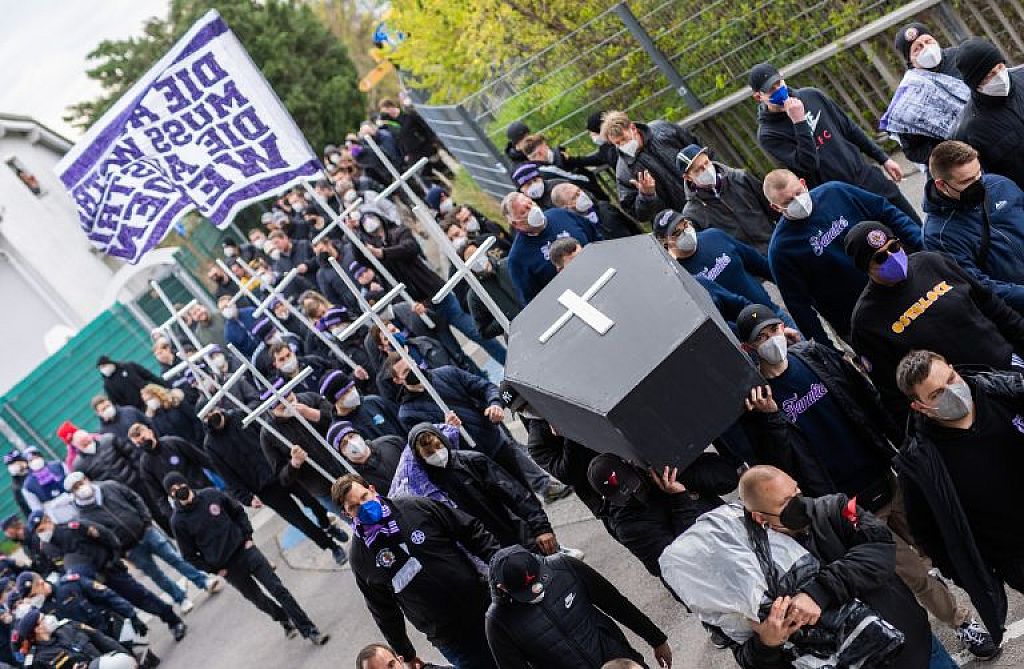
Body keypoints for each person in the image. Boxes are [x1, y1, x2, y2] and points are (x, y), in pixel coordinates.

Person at [735, 303, 992, 657]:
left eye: (773, 330)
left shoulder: (813, 355)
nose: (770, 341)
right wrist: (772, 420)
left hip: (884, 476)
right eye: (760, 338)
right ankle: (963, 622)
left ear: (783, 327)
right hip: (849, 504)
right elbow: (777, 469)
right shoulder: (759, 402)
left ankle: (970, 591)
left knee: (939, 546)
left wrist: (901, 449)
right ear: (749, 348)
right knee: (913, 572)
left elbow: (864, 399)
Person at [721, 466, 935, 668]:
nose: (798, 501)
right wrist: (766, 644)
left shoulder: (835, 508)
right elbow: (748, 655)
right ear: (759, 517)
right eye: (786, 502)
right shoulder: (752, 568)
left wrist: (817, 593)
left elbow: (880, 549)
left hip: (912, 639)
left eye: (796, 489)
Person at [894, 350, 1024, 653]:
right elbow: (929, 534)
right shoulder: (919, 463)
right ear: (919, 406)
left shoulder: (1006, 393)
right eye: (938, 393)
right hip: (1015, 555)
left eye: (951, 379)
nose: (953, 390)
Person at [846, 220, 1024, 421]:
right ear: (865, 268)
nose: (892, 258)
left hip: (1009, 366)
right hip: (967, 404)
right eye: (880, 258)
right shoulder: (866, 322)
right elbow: (893, 396)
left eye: (894, 247)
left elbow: (993, 306)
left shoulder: (932, 262)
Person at [333, 474, 500, 668]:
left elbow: (471, 530)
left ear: (372, 490)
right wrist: (406, 654)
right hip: (451, 638)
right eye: (354, 507)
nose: (364, 507)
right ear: (346, 514)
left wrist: (502, 569)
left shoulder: (414, 508)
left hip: (486, 605)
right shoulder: (361, 559)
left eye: (364, 497)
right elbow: (384, 611)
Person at [164, 473, 330, 645]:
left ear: (186, 483)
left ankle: (309, 629)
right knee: (259, 601)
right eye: (173, 491)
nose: (178, 491)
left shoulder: (211, 495)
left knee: (278, 589)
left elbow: (237, 512)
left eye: (179, 486)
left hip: (245, 550)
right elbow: (189, 556)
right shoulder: (178, 522)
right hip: (228, 568)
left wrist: (248, 537)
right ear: (170, 495)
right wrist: (215, 570)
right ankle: (282, 617)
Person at [762, 169, 922, 345]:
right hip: (859, 318)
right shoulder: (781, 250)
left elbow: (888, 213)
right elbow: (799, 306)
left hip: (902, 283)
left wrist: (923, 245)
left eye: (798, 193)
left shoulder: (836, 192)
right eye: (788, 201)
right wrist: (826, 350)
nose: (798, 201)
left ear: (803, 183)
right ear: (776, 207)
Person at [750, 62, 921, 223]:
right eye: (771, 90)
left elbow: (849, 128)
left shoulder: (812, 95)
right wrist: (799, 122)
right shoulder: (768, 134)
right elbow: (808, 163)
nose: (778, 90)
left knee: (913, 226)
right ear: (759, 96)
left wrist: (883, 158)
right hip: (839, 197)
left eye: (779, 83)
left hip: (865, 176)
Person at [387, 356, 561, 502]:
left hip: (493, 441)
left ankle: (543, 491)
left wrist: (495, 404)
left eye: (412, 366)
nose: (413, 372)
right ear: (397, 380)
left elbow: (485, 387)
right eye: (406, 372)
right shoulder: (407, 413)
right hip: (471, 462)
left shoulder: (447, 373)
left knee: (527, 495)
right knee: (508, 501)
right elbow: (429, 449)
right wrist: (446, 431)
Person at [360, 209, 508, 366]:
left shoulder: (399, 233)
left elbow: (410, 248)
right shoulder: (373, 257)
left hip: (440, 296)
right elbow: (367, 263)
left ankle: (508, 361)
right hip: (423, 309)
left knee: (478, 333)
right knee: (455, 354)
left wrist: (383, 253)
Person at [485, 545, 673, 669]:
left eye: (539, 581)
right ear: (503, 588)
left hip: (618, 660)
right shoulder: (497, 622)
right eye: (527, 592)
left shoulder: (564, 566)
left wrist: (656, 639)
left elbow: (616, 603)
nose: (537, 590)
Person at [204, 409, 348, 566]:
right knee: (299, 521)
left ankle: (326, 523)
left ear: (217, 407)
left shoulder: (240, 415)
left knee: (313, 501)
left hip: (283, 470)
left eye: (211, 411)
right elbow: (227, 475)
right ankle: (331, 546)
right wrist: (247, 497)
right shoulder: (210, 444)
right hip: (263, 488)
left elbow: (267, 434)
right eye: (206, 415)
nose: (210, 416)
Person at [65, 472, 219, 615]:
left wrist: (147, 520)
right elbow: (101, 539)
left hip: (146, 532)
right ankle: (180, 598)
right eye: (76, 488)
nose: (81, 488)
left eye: (81, 483)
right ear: (72, 493)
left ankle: (203, 581)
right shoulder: (84, 516)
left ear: (87, 479)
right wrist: (121, 553)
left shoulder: (109, 486)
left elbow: (134, 498)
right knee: (156, 575)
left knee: (175, 558)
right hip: (129, 548)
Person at [400, 423, 558, 553]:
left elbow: (517, 495)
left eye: (438, 446)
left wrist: (541, 528)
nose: (437, 453)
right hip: (485, 554)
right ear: (419, 456)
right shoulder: (427, 487)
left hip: (515, 536)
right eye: (429, 452)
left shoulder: (473, 462)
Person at [30, 510, 188, 641]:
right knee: (112, 612)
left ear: (48, 520)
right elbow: (59, 569)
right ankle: (136, 632)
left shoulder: (74, 528)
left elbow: (106, 536)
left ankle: (173, 621)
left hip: (108, 571)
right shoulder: (47, 548)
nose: (42, 534)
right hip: (86, 584)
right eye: (38, 532)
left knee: (140, 596)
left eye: (41, 529)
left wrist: (115, 557)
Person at [586, 451, 735, 577]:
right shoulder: (628, 526)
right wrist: (680, 498)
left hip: (732, 540)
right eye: (624, 496)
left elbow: (729, 479)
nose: (634, 495)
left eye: (635, 487)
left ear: (634, 466)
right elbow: (680, 560)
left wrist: (681, 474)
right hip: (707, 578)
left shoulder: (665, 468)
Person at [923, 140, 1024, 310]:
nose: (980, 183)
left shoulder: (998, 183)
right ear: (941, 185)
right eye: (968, 181)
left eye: (979, 173)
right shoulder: (939, 235)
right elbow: (976, 286)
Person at [652, 209, 790, 324]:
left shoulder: (715, 236)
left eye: (685, 225)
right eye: (677, 233)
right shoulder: (678, 274)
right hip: (748, 336)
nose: (685, 232)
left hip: (773, 312)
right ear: (665, 242)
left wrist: (791, 289)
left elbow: (758, 263)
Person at [257, 389, 352, 549]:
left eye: (289, 396)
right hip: (324, 489)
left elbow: (340, 419)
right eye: (281, 406)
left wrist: (312, 414)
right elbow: (283, 478)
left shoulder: (309, 398)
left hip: (347, 466)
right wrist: (294, 464)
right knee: (355, 519)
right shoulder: (268, 434)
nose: (288, 403)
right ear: (271, 410)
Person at [882, 23, 967, 166]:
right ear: (910, 60)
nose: (926, 48)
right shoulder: (909, 94)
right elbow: (913, 150)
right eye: (917, 48)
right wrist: (947, 149)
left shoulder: (962, 57)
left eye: (928, 41)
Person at [502, 191, 600, 303]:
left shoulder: (560, 214)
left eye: (531, 203)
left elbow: (596, 237)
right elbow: (532, 301)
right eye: (524, 211)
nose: (533, 210)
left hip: (598, 272)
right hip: (575, 301)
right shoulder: (518, 259)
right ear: (516, 224)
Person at [600, 110, 698, 222]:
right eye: (617, 143)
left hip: (709, 196)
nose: (623, 145)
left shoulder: (664, 130)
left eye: (624, 139)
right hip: (683, 219)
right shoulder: (624, 172)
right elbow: (638, 214)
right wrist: (646, 196)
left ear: (633, 128)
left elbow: (697, 148)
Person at [676, 144, 776, 254]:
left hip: (774, 243)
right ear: (688, 177)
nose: (707, 170)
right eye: (698, 169)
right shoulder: (692, 213)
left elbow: (772, 208)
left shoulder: (741, 178)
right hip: (748, 262)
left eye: (706, 163)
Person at [953, 38, 1024, 189]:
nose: (999, 76)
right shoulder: (968, 130)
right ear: (975, 83)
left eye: (1000, 67)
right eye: (990, 75)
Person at [128, 422, 212, 521]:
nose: (142, 444)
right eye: (138, 444)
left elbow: (205, 460)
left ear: (150, 432)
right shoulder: (145, 465)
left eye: (143, 439)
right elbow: (158, 497)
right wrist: (173, 516)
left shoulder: (174, 443)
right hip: (185, 507)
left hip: (203, 492)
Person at [12, 608, 138, 669]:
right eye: (43, 618)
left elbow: (104, 641)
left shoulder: (69, 626)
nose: (49, 618)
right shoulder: (38, 661)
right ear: (37, 629)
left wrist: (127, 657)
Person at [460, 241, 522, 339]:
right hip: (518, 333)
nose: (477, 259)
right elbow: (483, 331)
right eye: (471, 259)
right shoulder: (475, 296)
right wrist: (502, 320)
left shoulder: (508, 265)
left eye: (477, 253)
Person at [320, 370, 405, 440]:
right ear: (334, 401)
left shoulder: (373, 402)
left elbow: (401, 425)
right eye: (346, 392)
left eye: (352, 387)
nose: (352, 392)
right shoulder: (340, 431)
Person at [326, 420, 402, 493]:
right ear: (342, 453)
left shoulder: (390, 442)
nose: (351, 443)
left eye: (351, 436)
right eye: (344, 444)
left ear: (359, 435)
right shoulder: (356, 481)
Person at [549, 182, 640, 240]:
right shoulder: (576, 230)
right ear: (565, 207)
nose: (581, 196)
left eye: (579, 191)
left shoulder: (604, 207)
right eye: (574, 197)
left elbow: (632, 227)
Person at [140, 383, 205, 445]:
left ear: (158, 394)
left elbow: (195, 419)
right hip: (181, 449)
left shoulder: (176, 402)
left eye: (150, 398)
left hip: (197, 441)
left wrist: (198, 440)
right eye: (146, 401)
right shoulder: (154, 417)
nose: (149, 403)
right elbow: (162, 437)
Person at [96, 355, 166, 411]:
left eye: (103, 366)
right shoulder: (108, 385)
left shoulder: (128, 366)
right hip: (139, 410)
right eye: (100, 369)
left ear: (109, 363)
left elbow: (150, 376)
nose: (103, 370)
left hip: (153, 397)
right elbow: (116, 404)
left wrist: (165, 385)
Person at [269, 229, 318, 298]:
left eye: (277, 242)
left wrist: (307, 265)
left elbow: (319, 259)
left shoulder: (304, 245)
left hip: (318, 283)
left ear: (285, 238)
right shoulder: (279, 263)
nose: (276, 246)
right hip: (306, 295)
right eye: (273, 244)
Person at [4, 451, 31, 517]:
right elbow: (25, 508)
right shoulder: (17, 487)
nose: (13, 466)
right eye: (10, 465)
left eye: (15, 462)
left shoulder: (36, 469)